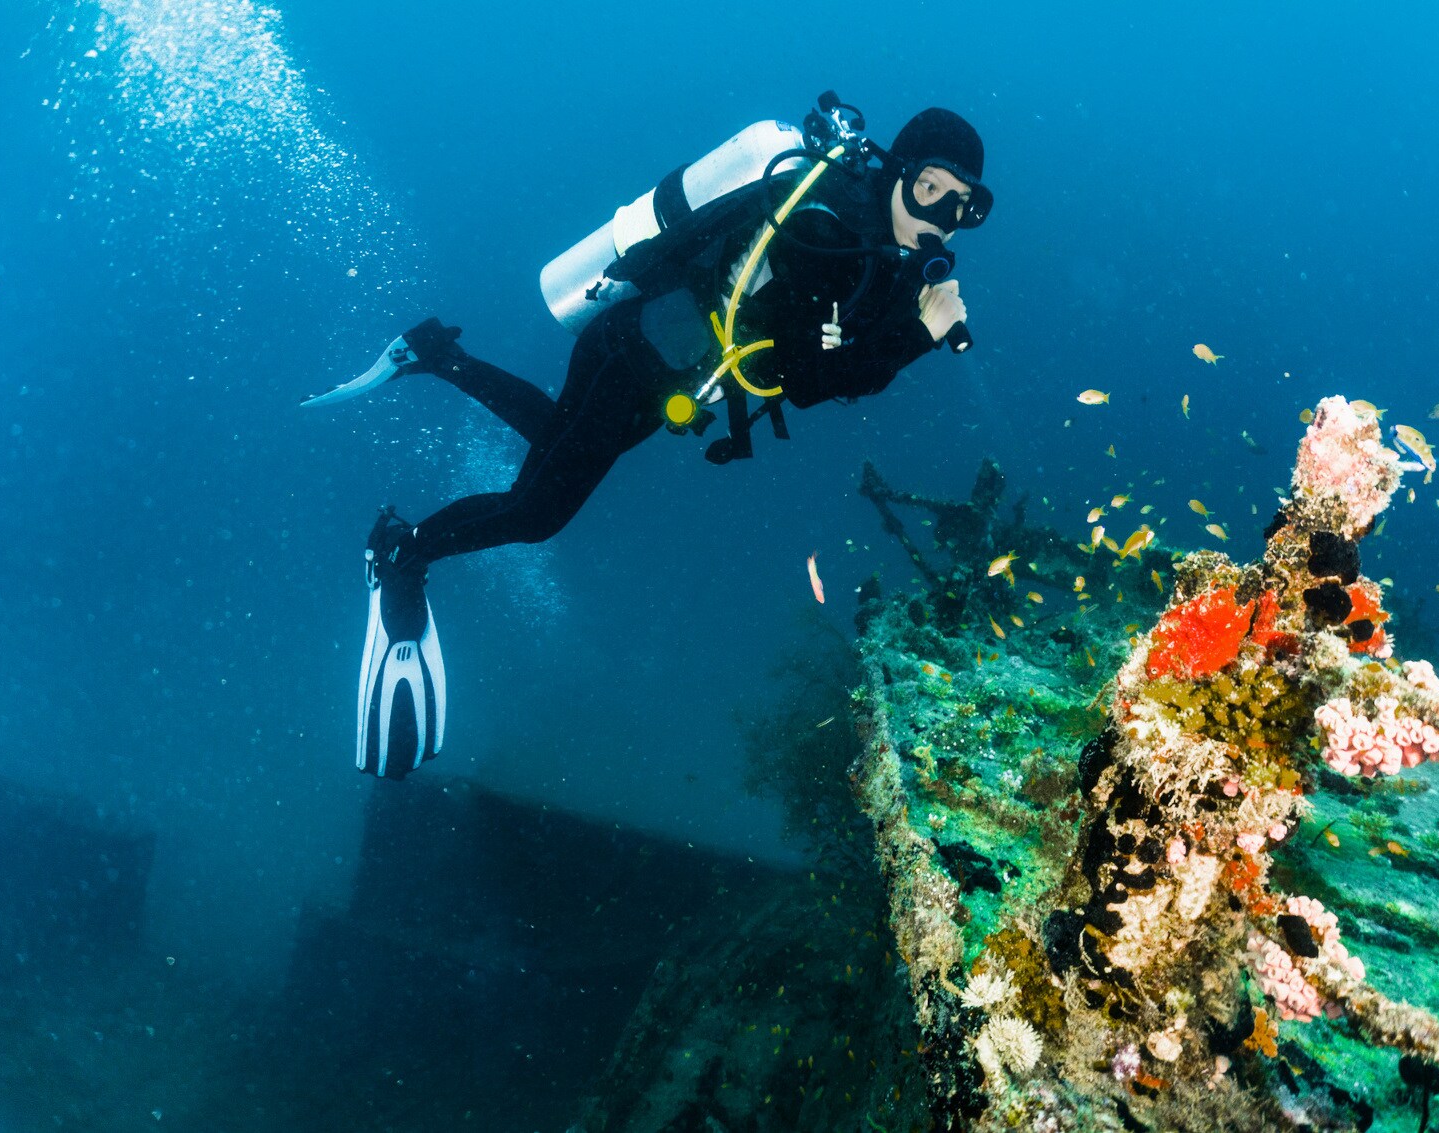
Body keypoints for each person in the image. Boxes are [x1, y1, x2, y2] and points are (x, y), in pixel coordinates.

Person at [322, 102, 991, 778]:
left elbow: (824, 353)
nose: (937, 216)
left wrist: (907, 318)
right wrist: (918, 336)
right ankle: (402, 552)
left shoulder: (880, 245)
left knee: (555, 437)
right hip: (641, 357)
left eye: (958, 206)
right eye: (928, 189)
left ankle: (435, 355)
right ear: (895, 173)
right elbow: (812, 377)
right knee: (537, 512)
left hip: (647, 346)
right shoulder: (828, 230)